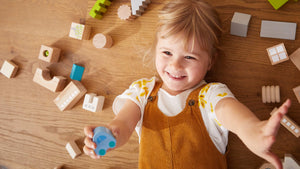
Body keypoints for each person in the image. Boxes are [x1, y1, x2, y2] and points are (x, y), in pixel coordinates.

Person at [83, 0, 291, 168]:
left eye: (190, 57)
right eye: (167, 52)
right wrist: (109, 135)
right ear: (156, 50)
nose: (175, 65)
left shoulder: (210, 95)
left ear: (210, 61)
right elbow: (124, 124)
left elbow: (232, 114)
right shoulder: (142, 92)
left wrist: (254, 131)